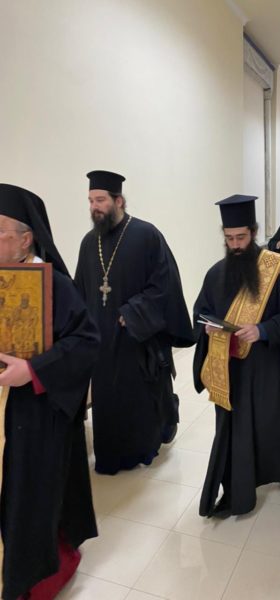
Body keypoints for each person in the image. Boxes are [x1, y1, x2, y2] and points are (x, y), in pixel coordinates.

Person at [0, 183, 99, 600]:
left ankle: (31, 575)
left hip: (38, 413)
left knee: (29, 494)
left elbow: (87, 342)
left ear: (26, 239)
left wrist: (33, 371)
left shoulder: (54, 283)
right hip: (8, 409)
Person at [193, 194, 280, 519]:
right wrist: (207, 328)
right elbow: (201, 312)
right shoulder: (215, 274)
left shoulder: (279, 270)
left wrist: (263, 330)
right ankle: (239, 489)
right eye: (229, 238)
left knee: (276, 423)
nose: (235, 245)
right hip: (232, 371)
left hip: (271, 367)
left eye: (241, 237)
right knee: (238, 431)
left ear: (253, 232)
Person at [75, 170, 194, 476]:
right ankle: (109, 456)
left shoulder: (146, 235)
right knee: (107, 399)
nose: (94, 207)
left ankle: (143, 448)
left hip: (134, 338)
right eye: (90, 201)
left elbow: (165, 284)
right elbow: (80, 291)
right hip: (102, 343)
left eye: (100, 200)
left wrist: (133, 312)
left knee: (137, 398)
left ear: (119, 201)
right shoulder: (89, 243)